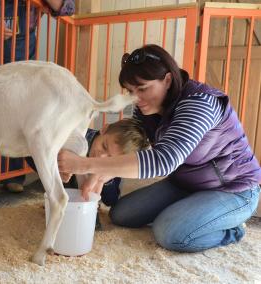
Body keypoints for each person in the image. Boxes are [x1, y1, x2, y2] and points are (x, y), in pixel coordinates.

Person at [58, 44, 261, 252]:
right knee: (121, 215)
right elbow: (133, 148)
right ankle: (191, 211)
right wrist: (99, 173)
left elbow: (163, 160)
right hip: (184, 184)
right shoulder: (145, 109)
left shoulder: (200, 103)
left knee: (170, 233)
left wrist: (85, 165)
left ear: (167, 80)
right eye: (130, 91)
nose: (136, 98)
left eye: (143, 88)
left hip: (233, 189)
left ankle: (232, 230)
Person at [0, 0, 75, 193]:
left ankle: (12, 174)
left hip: (20, 65)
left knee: (17, 117)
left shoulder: (33, 3)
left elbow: (67, 8)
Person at [26, 118, 150, 229]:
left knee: (110, 198)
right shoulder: (77, 137)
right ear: (104, 129)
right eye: (104, 146)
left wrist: (104, 175)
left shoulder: (115, 165)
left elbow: (110, 200)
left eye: (110, 158)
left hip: (100, 184)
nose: (101, 157)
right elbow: (34, 153)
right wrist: (55, 164)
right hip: (64, 175)